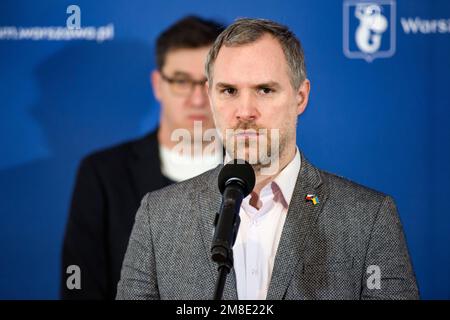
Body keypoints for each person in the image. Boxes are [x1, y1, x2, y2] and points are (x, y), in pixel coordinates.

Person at [116, 18, 419, 300]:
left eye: (264, 89)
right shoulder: (158, 216)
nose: (245, 111)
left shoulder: (368, 218)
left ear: (300, 97)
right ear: (211, 97)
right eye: (229, 90)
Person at [61, 16, 225, 300]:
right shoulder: (103, 174)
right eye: (181, 82)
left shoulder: (259, 170)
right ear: (158, 84)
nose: (198, 99)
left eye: (210, 83)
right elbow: (80, 286)